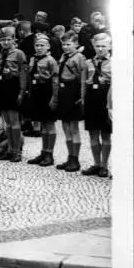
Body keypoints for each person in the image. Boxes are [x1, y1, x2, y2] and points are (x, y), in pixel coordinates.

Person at [24, 34, 60, 167]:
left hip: (47, 92)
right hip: (37, 93)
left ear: (48, 47)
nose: (39, 48)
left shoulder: (51, 61)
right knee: (43, 125)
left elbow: (55, 80)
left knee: (49, 124)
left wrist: (54, 98)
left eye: (42, 45)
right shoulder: (33, 59)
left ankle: (50, 154)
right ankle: (43, 151)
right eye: (37, 45)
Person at [0, 27, 27, 162]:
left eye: (8, 40)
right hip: (2, 87)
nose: (6, 43)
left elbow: (24, 73)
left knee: (14, 122)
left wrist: (22, 91)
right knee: (6, 123)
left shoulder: (18, 53)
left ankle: (17, 150)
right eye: (3, 40)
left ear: (14, 40)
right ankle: (9, 149)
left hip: (13, 86)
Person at [54, 31, 86, 172]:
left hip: (73, 92)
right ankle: (70, 157)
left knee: (73, 128)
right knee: (65, 127)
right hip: (64, 92)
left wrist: (82, 96)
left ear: (76, 44)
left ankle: (76, 159)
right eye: (63, 44)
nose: (65, 47)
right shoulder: (64, 56)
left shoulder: (79, 57)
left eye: (68, 44)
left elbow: (83, 78)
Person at [81, 33, 112, 177]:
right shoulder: (88, 63)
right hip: (92, 100)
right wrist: (82, 99)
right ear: (93, 46)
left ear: (110, 46)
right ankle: (96, 163)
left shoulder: (115, 63)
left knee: (106, 135)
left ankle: (104, 166)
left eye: (103, 46)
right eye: (97, 46)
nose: (100, 49)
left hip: (106, 100)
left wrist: (112, 106)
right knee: (93, 134)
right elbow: (83, 82)